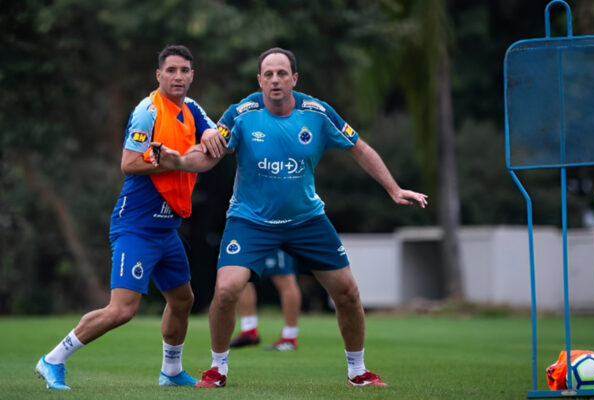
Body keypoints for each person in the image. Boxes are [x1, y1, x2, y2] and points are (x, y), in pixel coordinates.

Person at [152, 47, 428, 389]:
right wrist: (178, 161)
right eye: (268, 74)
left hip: (306, 220)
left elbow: (360, 148)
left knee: (348, 292)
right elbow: (207, 154)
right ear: (260, 81)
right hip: (249, 220)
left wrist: (393, 188)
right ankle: (217, 369)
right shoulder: (243, 111)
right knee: (226, 291)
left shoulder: (317, 112)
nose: (275, 80)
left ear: (294, 79)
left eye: (282, 73)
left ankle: (358, 371)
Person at [35, 45, 221, 390]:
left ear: (192, 75)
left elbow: (215, 134)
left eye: (184, 71)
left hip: (167, 229)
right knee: (122, 310)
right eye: (171, 70)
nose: (178, 76)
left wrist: (212, 133)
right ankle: (52, 360)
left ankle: (171, 372)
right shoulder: (146, 111)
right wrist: (171, 159)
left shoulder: (193, 109)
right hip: (136, 226)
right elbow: (128, 163)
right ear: (159, 75)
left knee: (183, 300)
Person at [229, 249, 301, 351]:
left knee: (283, 278)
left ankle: (290, 336)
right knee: (240, 274)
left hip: (275, 234)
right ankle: (249, 330)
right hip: (248, 234)